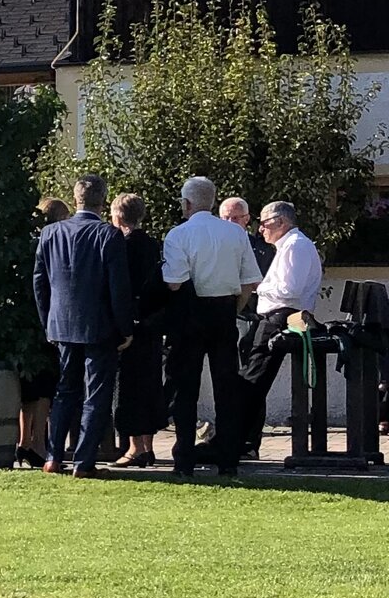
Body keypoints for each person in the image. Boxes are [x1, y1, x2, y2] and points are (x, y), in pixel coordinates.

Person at [32, 175, 135, 478]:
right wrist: (126, 328)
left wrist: (48, 322)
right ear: (103, 201)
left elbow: (39, 282)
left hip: (61, 324)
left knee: (65, 391)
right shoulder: (109, 235)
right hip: (99, 326)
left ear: (75, 198)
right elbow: (119, 288)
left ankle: (53, 456)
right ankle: (84, 460)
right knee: (96, 395)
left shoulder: (50, 233)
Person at [162, 174, 260, 479]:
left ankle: (184, 460)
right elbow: (250, 281)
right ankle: (228, 460)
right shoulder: (235, 234)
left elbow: (174, 283)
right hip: (224, 311)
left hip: (191, 312)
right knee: (226, 389)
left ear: (187, 203)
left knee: (186, 389)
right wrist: (234, 309)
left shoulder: (178, 235)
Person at [238, 201, 324, 457]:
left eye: (264, 223)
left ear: (281, 222)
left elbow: (290, 290)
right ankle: (239, 439)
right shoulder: (288, 245)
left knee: (252, 380)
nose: (260, 229)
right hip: (276, 316)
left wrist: (258, 286)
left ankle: (235, 440)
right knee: (250, 378)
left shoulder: (295, 245)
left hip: (281, 318)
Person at [109, 192, 167, 466]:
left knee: (130, 386)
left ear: (118, 216)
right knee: (150, 382)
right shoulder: (153, 244)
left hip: (130, 322)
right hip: (152, 322)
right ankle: (148, 446)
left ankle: (134, 448)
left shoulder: (122, 245)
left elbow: (121, 286)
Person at [15, 197, 72, 468]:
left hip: (23, 323)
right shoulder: (51, 244)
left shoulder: (27, 245)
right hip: (45, 320)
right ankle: (38, 443)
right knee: (45, 388)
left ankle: (24, 442)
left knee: (28, 389)